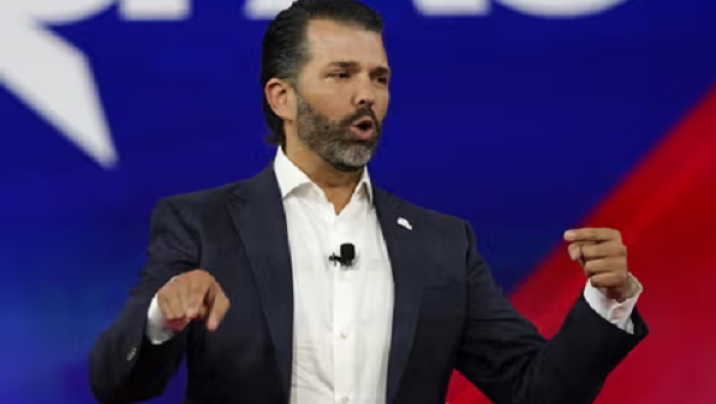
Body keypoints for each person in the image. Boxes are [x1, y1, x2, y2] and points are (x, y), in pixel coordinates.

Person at [89, 1, 648, 403]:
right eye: (342, 74)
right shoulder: (201, 224)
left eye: (379, 78)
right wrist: (160, 316)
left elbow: (535, 390)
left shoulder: (443, 244)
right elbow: (115, 382)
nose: (367, 94)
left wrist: (607, 301)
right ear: (282, 97)